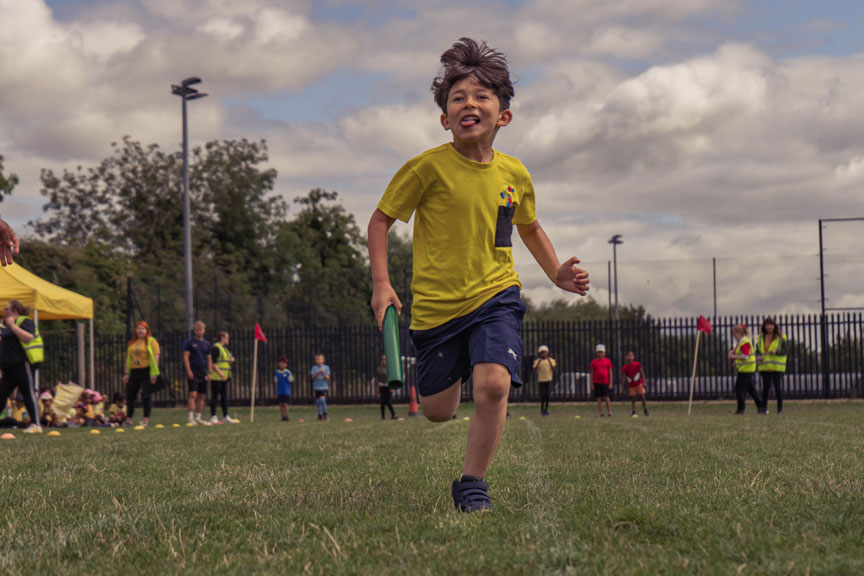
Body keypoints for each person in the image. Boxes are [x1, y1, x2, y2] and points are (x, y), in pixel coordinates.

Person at [367, 38, 590, 512]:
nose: (469, 103)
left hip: (496, 296)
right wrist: (382, 284)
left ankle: (472, 484)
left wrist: (555, 272)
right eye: (457, 98)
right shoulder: (425, 168)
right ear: (445, 118)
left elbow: (528, 226)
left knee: (493, 385)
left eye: (481, 96)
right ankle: (464, 360)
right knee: (437, 411)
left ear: (503, 115)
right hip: (436, 310)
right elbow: (381, 220)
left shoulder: (515, 174)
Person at [0, 300, 44, 433]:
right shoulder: (8, 326)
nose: (4, 311)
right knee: (1, 394)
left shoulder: (24, 321)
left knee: (28, 393)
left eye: (6, 309)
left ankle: (36, 425)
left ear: (15, 311)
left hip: (22, 364)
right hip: (9, 367)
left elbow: (29, 338)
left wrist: (12, 325)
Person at [123, 321, 160, 427]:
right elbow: (128, 359)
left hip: (146, 370)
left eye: (143, 328)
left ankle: (145, 420)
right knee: (130, 395)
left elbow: (156, 357)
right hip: (134, 371)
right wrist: (126, 373)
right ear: (135, 330)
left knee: (146, 395)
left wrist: (154, 373)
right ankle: (129, 420)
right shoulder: (131, 343)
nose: (140, 330)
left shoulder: (152, 341)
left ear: (147, 330)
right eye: (138, 328)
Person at [728, 323, 763, 414]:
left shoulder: (744, 342)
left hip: (746, 369)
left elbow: (745, 356)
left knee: (739, 389)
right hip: (746, 369)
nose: (733, 335)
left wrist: (732, 356)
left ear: (739, 333)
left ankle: (741, 409)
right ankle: (761, 406)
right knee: (750, 389)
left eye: (734, 333)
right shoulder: (742, 342)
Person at [756, 317, 788, 415]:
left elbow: (785, 350)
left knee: (777, 387)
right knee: (765, 387)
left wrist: (776, 351)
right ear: (764, 326)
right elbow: (758, 351)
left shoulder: (781, 337)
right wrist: (758, 357)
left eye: (771, 324)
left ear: (774, 326)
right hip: (765, 366)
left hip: (777, 366)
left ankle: (780, 409)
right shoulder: (760, 337)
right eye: (767, 325)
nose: (769, 326)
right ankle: (764, 409)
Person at [183, 320, 212, 425]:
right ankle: (190, 418)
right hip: (193, 372)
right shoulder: (189, 343)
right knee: (193, 394)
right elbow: (186, 357)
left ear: (204, 331)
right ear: (194, 331)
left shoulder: (207, 344)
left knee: (201, 396)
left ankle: (198, 417)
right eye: (197, 330)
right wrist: (189, 370)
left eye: (201, 330)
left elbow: (209, 358)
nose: (199, 332)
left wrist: (209, 372)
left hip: (203, 372)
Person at [209, 331, 238, 424]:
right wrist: (220, 373)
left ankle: (226, 416)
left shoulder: (224, 348)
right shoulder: (216, 348)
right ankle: (213, 416)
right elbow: (213, 363)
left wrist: (231, 359)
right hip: (217, 376)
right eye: (227, 337)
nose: (228, 339)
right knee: (215, 396)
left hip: (224, 376)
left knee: (224, 397)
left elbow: (227, 359)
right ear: (222, 337)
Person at [622, 351, 649, 417]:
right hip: (631, 385)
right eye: (628, 355)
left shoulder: (637, 364)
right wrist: (622, 387)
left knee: (642, 396)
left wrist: (644, 382)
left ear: (633, 357)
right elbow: (623, 377)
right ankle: (633, 411)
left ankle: (645, 410)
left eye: (631, 355)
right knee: (633, 398)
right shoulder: (625, 367)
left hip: (639, 384)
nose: (630, 357)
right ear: (626, 357)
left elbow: (642, 373)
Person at [532, 345, 556, 417]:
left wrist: (549, 361)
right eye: (542, 353)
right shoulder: (537, 361)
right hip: (541, 380)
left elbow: (553, 369)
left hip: (548, 380)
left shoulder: (551, 360)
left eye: (545, 352)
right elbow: (534, 369)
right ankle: (542, 410)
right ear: (539, 354)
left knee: (548, 396)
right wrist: (539, 362)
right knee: (542, 396)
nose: (544, 354)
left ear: (547, 353)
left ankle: (546, 410)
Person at [591, 344, 613, 417]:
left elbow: (610, 372)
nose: (600, 354)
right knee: (599, 398)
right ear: (596, 353)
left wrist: (610, 383)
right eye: (599, 352)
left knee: (606, 397)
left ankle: (609, 411)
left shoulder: (607, 361)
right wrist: (591, 384)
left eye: (601, 352)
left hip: (605, 382)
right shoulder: (593, 362)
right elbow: (592, 373)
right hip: (597, 382)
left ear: (604, 353)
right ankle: (601, 412)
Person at [376, 354, 398, 420]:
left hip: (389, 387)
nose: (383, 361)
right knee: (382, 402)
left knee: (388, 402)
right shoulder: (378, 369)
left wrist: (393, 387)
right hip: (382, 386)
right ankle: (383, 416)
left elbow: (392, 378)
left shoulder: (390, 368)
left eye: (385, 360)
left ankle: (394, 414)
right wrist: (378, 388)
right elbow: (378, 379)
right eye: (382, 360)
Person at [311, 353, 330, 421]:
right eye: (317, 359)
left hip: (324, 387)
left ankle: (325, 414)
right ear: (315, 361)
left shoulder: (326, 367)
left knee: (322, 400)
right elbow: (312, 377)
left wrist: (324, 373)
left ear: (323, 360)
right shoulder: (314, 368)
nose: (319, 360)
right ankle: (319, 416)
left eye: (320, 359)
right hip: (316, 388)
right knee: (318, 402)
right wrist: (317, 372)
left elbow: (328, 377)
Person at [275, 357, 294, 422]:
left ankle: (286, 416)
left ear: (286, 364)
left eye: (284, 363)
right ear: (278, 364)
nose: (282, 364)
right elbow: (275, 381)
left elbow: (291, 380)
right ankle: (282, 416)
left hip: (286, 391)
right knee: (281, 404)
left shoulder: (288, 372)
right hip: (279, 391)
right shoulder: (277, 372)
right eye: (281, 363)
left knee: (285, 404)